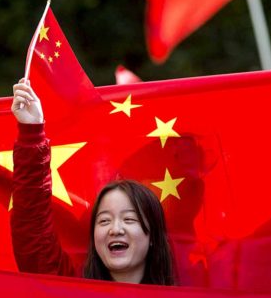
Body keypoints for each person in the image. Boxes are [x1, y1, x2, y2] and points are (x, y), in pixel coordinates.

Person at [10, 79, 174, 285]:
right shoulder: (73, 295)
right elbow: (32, 229)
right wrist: (32, 134)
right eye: (104, 221)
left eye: (130, 219)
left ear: (153, 238)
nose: (115, 229)